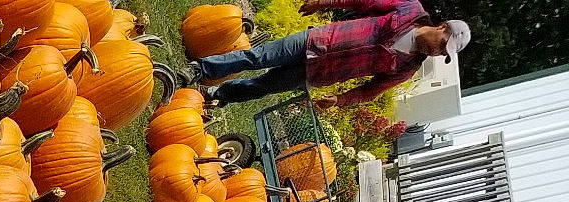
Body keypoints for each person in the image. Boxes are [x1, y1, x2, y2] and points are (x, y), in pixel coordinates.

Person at [181, 2, 470, 107]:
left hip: (319, 74)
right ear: (441, 26)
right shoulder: (408, 9)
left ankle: (218, 96)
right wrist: (324, 3)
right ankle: (200, 70)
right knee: (258, 57)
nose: (436, 52)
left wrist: (340, 99)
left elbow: (371, 91)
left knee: (262, 86)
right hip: (317, 40)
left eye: (442, 54)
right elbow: (363, 1)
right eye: (441, 45)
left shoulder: (407, 67)